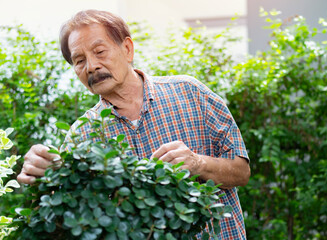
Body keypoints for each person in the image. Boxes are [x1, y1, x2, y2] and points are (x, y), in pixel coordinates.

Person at [17, 10, 251, 239]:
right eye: (79, 60)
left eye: (99, 51)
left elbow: (241, 172)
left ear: (127, 49)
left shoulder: (191, 93)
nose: (91, 66)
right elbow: (65, 214)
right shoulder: (82, 135)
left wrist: (198, 163)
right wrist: (43, 178)